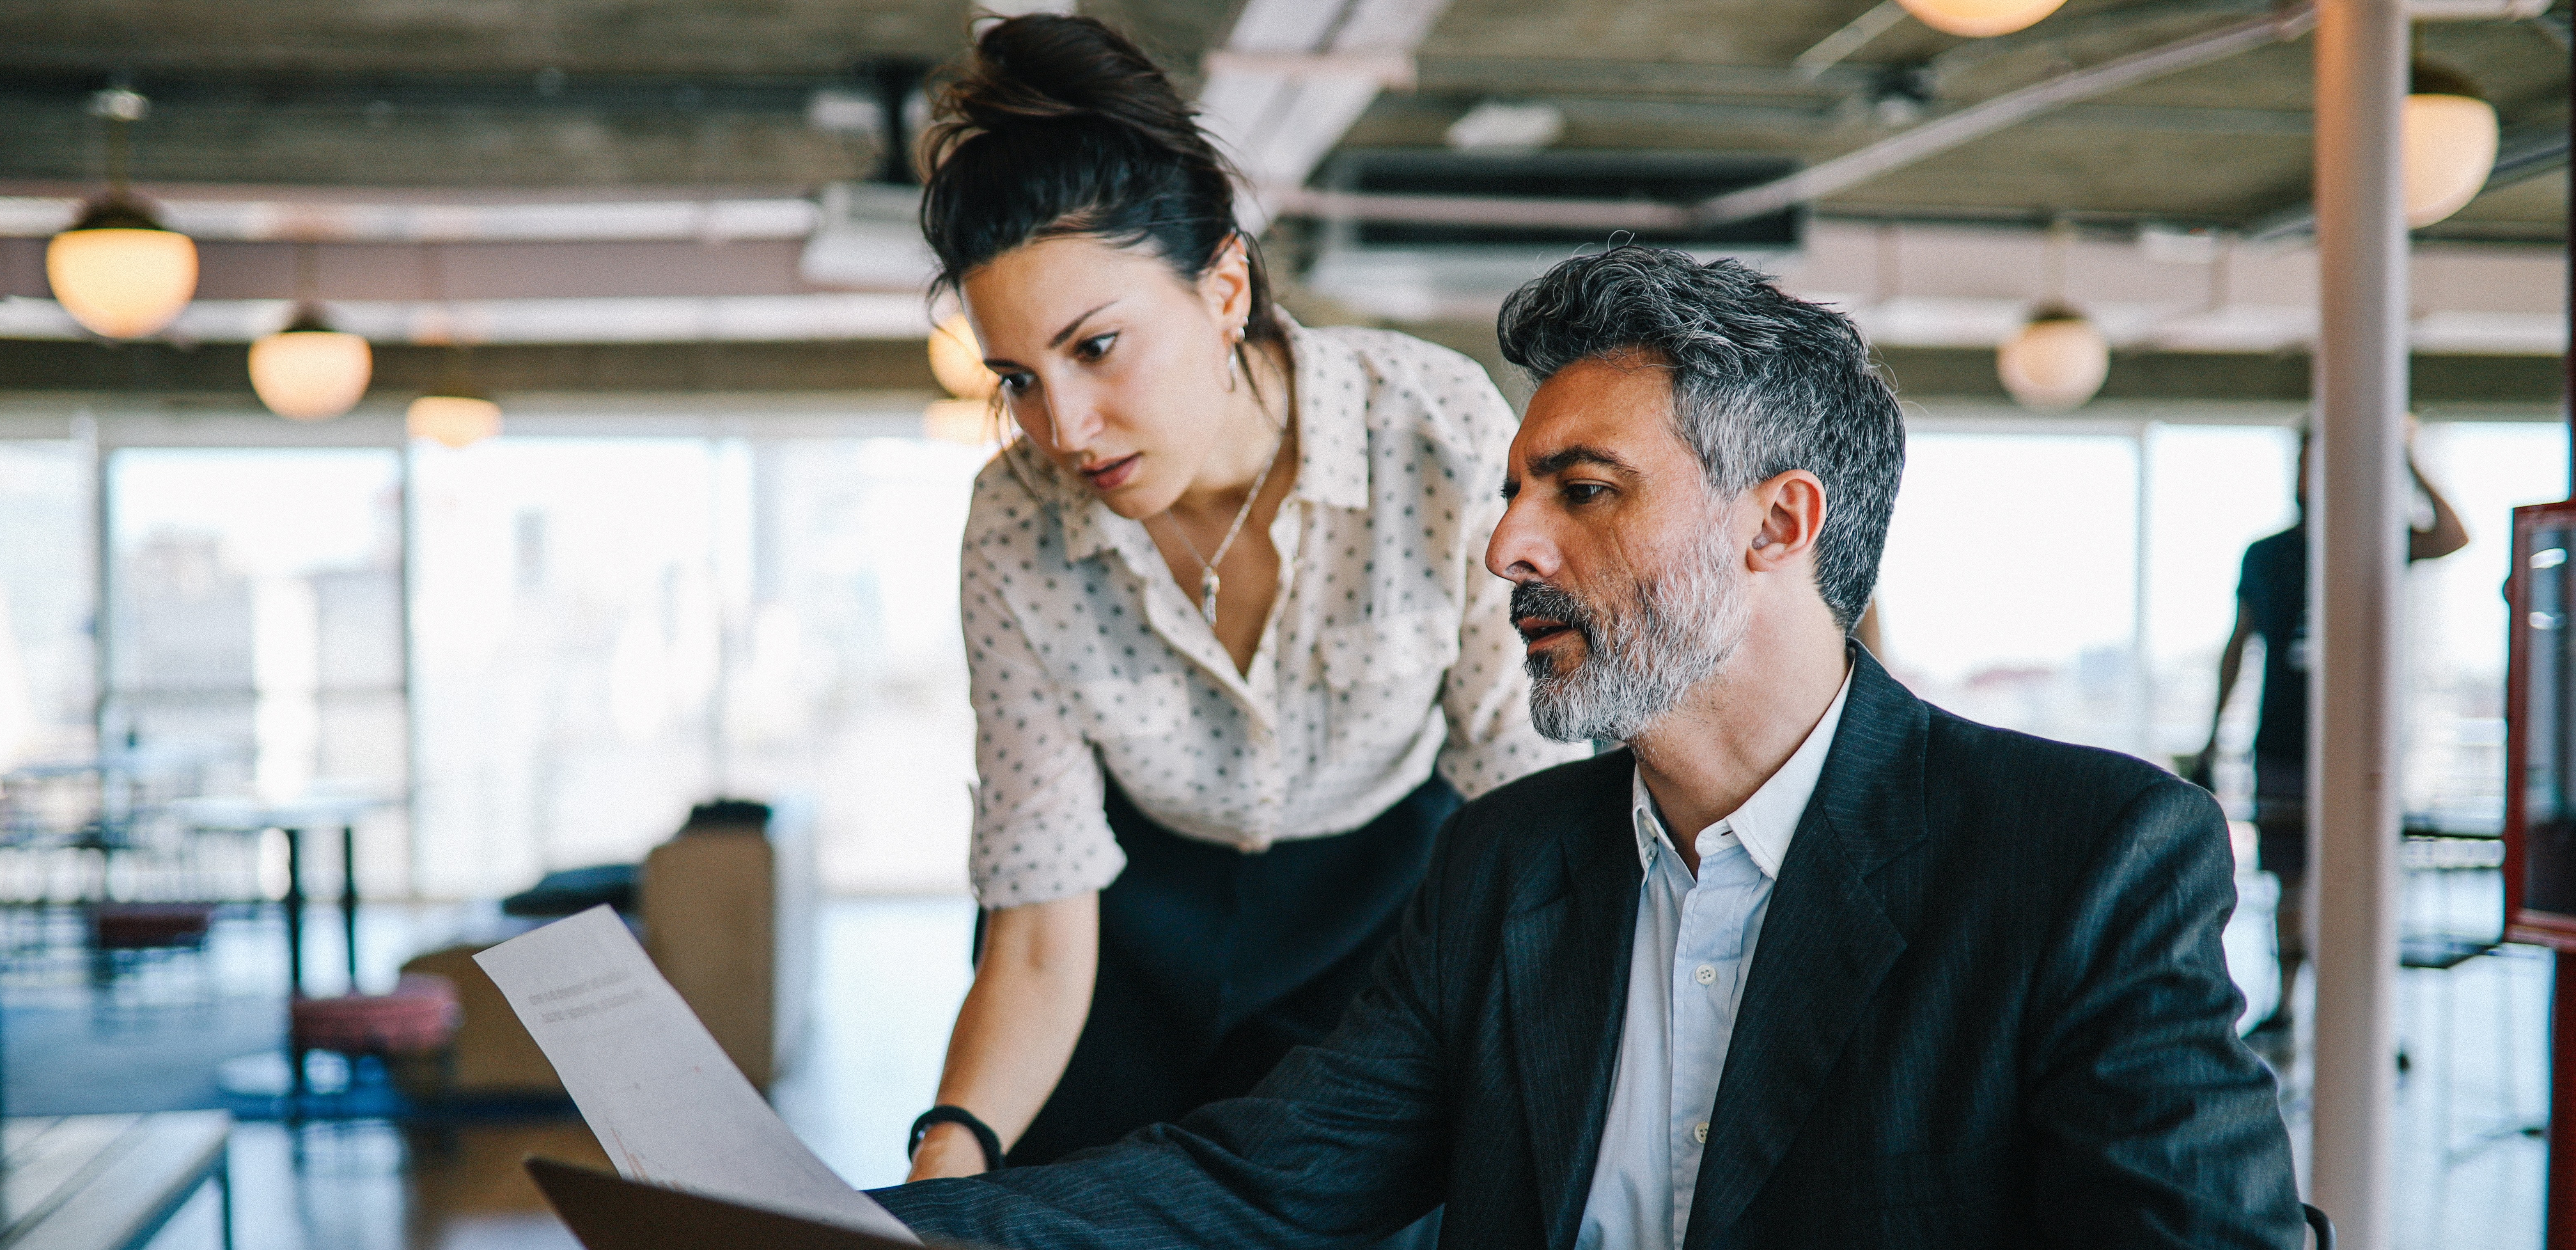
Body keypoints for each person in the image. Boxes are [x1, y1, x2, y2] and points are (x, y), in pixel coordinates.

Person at [872, 246, 2299, 1249]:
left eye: (1584, 490)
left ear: (1777, 524)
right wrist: (838, 1224)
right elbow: (1259, 1177)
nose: (1505, 546)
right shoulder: (1502, 862)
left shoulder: (2080, 859)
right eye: (1513, 492)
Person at [903, 15, 1580, 1186]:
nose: (1064, 428)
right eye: (1018, 378)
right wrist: (942, 1156)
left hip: (1383, 922)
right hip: (1121, 940)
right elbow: (1039, 928)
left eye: (1099, 346)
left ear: (1222, 289)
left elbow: (1522, 805)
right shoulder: (1015, 522)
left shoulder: (1431, 427)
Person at [2196, 424, 2468, 1033]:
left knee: (2357, 881)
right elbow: (2240, 644)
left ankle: (2362, 1021)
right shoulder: (2266, 554)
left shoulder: (2373, 540)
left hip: (2360, 747)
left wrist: (2404, 458)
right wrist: (2215, 734)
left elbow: (2452, 535)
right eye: (2304, 463)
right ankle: (2290, 1000)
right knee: (2288, 877)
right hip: (2283, 741)